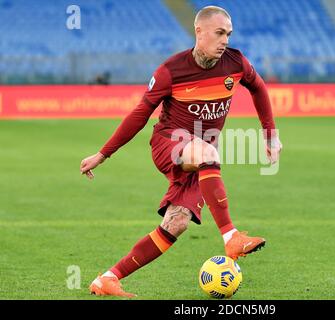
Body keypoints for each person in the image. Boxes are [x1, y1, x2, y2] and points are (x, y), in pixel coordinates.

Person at [80, 6, 282, 297]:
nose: (225, 40)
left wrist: (270, 133)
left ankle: (108, 279)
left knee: (176, 223)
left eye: (228, 34)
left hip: (200, 157)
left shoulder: (236, 63)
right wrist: (103, 154)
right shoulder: (171, 71)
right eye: (219, 33)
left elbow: (259, 88)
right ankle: (231, 236)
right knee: (208, 153)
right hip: (169, 143)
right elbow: (140, 114)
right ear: (199, 32)